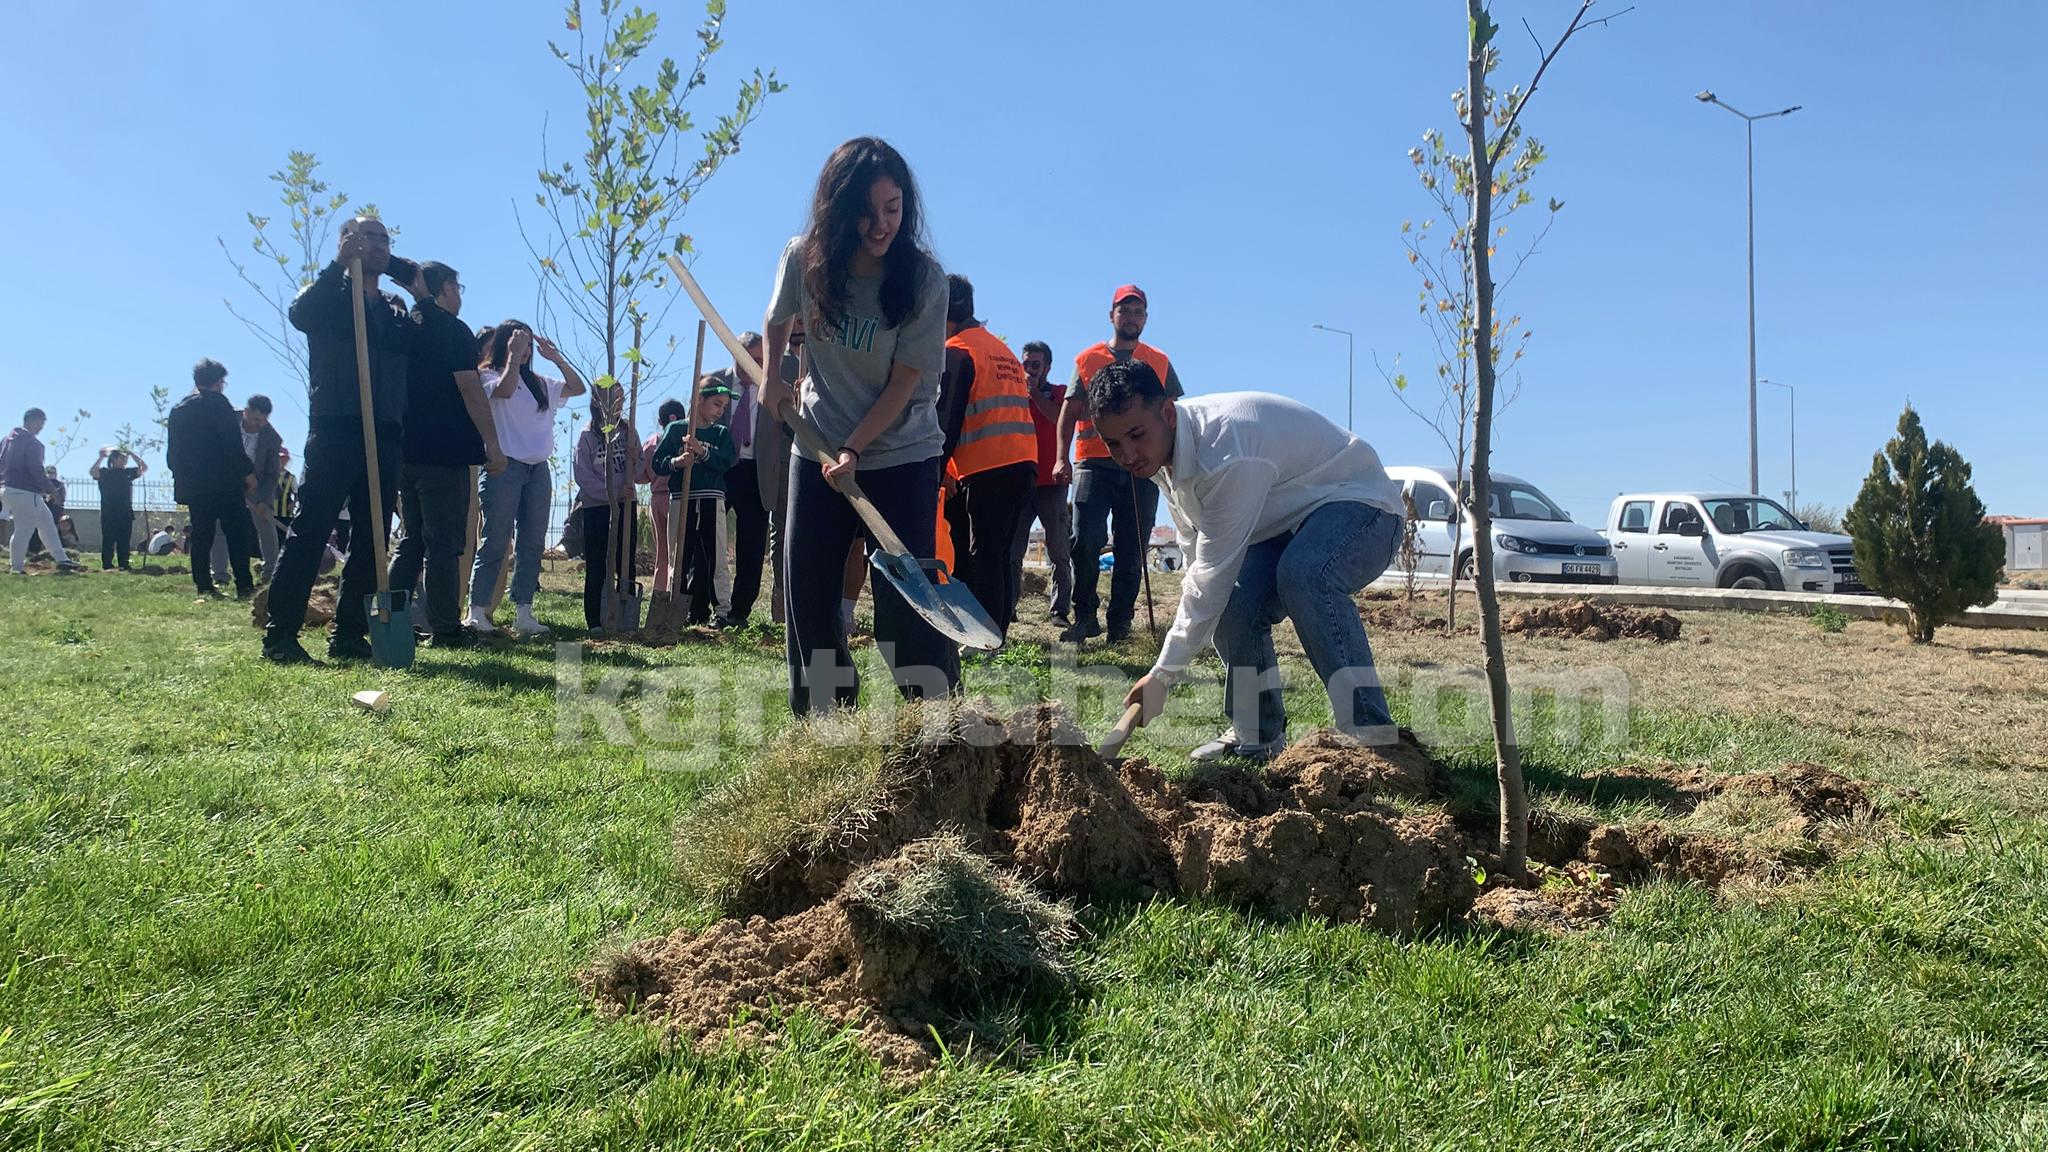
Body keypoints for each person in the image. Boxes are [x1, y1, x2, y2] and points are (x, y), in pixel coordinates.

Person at [1088, 362, 1406, 762]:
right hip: (1284, 521)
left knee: (1305, 575)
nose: (1128, 454)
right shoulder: (1165, 458)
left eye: (1136, 435)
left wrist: (1162, 675)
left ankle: (1370, 734)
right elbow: (1196, 557)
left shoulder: (1224, 453)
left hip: (1362, 505)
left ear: (1167, 413)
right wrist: (1171, 660)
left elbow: (1210, 577)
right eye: (1113, 443)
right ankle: (1256, 735)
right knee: (1234, 605)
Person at [760, 136, 957, 714]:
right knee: (809, 586)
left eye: (892, 209)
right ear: (838, 211)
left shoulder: (923, 279)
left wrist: (854, 448)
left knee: (904, 599)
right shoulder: (805, 257)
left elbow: (904, 383)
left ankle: (936, 720)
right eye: (866, 213)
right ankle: (825, 719)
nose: (880, 225)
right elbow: (776, 321)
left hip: (900, 453)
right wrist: (774, 376)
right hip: (815, 444)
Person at [263, 215, 425, 664]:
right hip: (336, 426)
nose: (375, 244)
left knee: (374, 536)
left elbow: (424, 343)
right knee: (311, 529)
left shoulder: (394, 308)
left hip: (386, 431)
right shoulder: (330, 296)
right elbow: (301, 314)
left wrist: (421, 293)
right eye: (365, 236)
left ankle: (350, 633)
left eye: (382, 238)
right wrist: (338, 267)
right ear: (346, 243)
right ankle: (281, 636)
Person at [1055, 284, 1185, 644]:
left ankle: (1120, 624)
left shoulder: (1158, 361)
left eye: (1138, 311)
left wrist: (1171, 461)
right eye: (1124, 311)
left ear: (1145, 318)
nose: (1131, 317)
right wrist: (1059, 457)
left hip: (1143, 466)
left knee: (1133, 545)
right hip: (1094, 464)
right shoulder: (1087, 359)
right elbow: (1069, 410)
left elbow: (1174, 413)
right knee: (1084, 539)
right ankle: (1084, 616)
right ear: (1111, 315)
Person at [388, 261, 505, 648]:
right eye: (457, 287)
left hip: (406, 449)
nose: (459, 295)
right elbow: (470, 389)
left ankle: (391, 621)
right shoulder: (453, 331)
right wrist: (491, 441)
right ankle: (445, 628)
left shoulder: (403, 324)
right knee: (443, 543)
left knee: (413, 540)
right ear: (444, 289)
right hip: (444, 450)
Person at [465, 320, 585, 638]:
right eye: (521, 343)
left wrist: (557, 358)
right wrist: (513, 356)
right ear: (505, 343)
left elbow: (578, 388)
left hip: (538, 469)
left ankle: (523, 611)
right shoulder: (489, 375)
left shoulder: (540, 382)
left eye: (529, 344)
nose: (527, 349)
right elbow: (503, 391)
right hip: (505, 467)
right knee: (496, 539)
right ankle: (477, 611)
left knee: (532, 542)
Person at [937, 275, 1038, 643]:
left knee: (985, 556)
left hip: (989, 465)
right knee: (997, 554)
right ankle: (995, 629)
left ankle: (987, 637)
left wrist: (932, 472)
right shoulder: (999, 349)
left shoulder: (958, 349)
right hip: (1021, 463)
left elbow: (946, 420)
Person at [708, 330, 781, 628]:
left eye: (761, 359)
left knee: (751, 549)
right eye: (750, 357)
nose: (756, 364)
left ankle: (739, 612)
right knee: (708, 542)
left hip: (757, 473)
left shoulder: (773, 387)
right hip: (719, 471)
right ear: (736, 354)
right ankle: (709, 606)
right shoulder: (712, 382)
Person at [168, 358, 257, 599]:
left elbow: (173, 454)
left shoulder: (179, 410)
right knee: (236, 533)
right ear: (218, 382)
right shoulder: (220, 405)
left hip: (197, 484)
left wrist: (182, 477)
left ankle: (204, 585)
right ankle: (244, 584)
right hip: (225, 481)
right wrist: (247, 472)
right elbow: (232, 444)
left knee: (202, 534)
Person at [651, 379, 737, 626]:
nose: (720, 411)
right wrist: (677, 462)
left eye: (724, 407)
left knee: (716, 556)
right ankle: (674, 609)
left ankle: (722, 611)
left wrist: (702, 451)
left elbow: (727, 461)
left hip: (712, 498)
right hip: (682, 499)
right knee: (680, 555)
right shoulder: (677, 430)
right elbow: (658, 462)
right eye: (716, 404)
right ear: (699, 400)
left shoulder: (720, 433)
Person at [571, 385, 647, 631]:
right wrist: (612, 493)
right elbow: (583, 477)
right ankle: (595, 620)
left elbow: (639, 467)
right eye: (612, 398)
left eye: (621, 398)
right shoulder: (587, 436)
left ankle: (625, 618)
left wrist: (635, 461)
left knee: (625, 560)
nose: (618, 403)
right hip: (597, 508)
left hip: (627, 505)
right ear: (597, 400)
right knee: (598, 564)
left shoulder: (628, 430)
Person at [1009, 340, 1073, 624]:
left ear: (1047, 367)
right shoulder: (1011, 393)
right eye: (1026, 364)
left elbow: (1059, 419)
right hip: (1019, 480)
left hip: (1052, 481)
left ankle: (1059, 610)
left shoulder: (1059, 393)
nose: (1030, 369)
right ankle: (1007, 608)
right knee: (1012, 549)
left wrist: (1034, 393)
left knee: (1059, 549)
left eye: (1036, 365)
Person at [2, 408, 81, 573]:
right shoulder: (33, 443)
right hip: (26, 492)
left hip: (9, 489)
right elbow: (36, 471)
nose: (41, 427)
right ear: (31, 420)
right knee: (24, 528)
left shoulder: (6, 440)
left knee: (47, 523)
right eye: (40, 422)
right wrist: (52, 491)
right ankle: (16, 568)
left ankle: (62, 559)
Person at [642, 399, 686, 597]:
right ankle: (673, 592)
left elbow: (639, 476)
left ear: (660, 422)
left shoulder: (651, 443)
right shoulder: (684, 441)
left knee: (662, 552)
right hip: (675, 498)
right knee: (676, 551)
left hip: (656, 499)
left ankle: (659, 594)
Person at [91, 447, 147, 570]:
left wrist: (132, 454)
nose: (124, 459)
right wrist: (101, 457)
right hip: (109, 512)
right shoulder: (105, 472)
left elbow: (144, 468)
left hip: (125, 512)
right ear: (114, 459)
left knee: (124, 540)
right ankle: (107, 564)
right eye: (121, 457)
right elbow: (93, 472)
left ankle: (124, 564)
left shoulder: (128, 473)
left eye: (125, 458)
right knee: (108, 539)